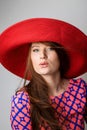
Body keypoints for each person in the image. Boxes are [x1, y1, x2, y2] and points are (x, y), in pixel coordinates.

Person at [0, 18, 87, 130]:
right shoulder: (22, 100)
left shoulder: (80, 88)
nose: (42, 55)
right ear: (30, 58)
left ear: (60, 54)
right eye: (36, 50)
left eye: (50, 48)